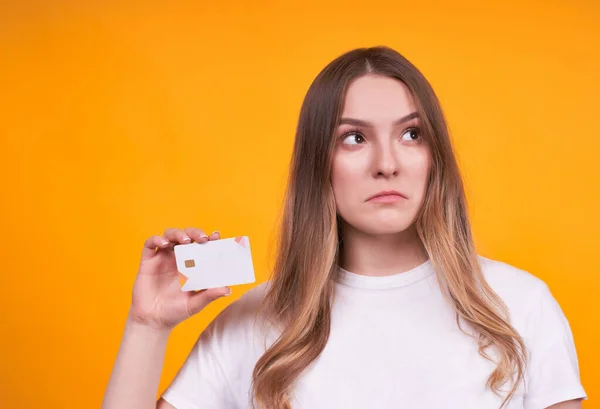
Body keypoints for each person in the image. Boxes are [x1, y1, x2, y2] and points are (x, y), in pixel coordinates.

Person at [101, 46, 587, 409]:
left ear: (435, 156)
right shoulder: (253, 322)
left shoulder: (519, 305)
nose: (387, 163)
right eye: (354, 138)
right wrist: (147, 326)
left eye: (411, 134)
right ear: (319, 163)